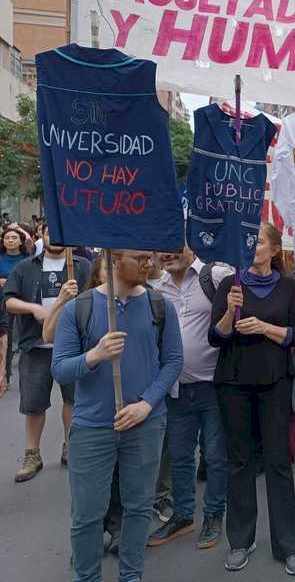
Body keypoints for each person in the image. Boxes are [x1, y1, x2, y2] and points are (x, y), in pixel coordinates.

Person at [52, 249, 183, 582]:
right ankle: (87, 576)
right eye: (140, 257)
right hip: (92, 427)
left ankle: (131, 575)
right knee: (87, 515)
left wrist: (146, 404)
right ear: (112, 261)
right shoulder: (77, 308)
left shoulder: (160, 305)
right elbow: (60, 369)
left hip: (145, 425)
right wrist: (94, 355)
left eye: (150, 257)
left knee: (139, 509)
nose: (149, 263)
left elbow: (172, 362)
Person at [209, 222, 295, 576]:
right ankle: (240, 540)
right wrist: (228, 314)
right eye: (248, 240)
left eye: (259, 241)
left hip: (275, 383)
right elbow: (215, 337)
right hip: (233, 383)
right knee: (239, 463)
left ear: (275, 248)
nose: (252, 246)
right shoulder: (229, 285)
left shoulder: (291, 285)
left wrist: (264, 328)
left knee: (278, 462)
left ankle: (289, 545)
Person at [147, 248, 231, 550]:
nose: (166, 255)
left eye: (173, 247)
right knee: (181, 457)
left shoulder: (217, 275)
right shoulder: (156, 289)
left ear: (190, 245)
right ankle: (183, 516)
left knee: (216, 457)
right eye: (162, 251)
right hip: (176, 389)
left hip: (214, 386)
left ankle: (213, 515)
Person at [3, 227, 90, 480]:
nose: (56, 237)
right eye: (50, 232)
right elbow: (8, 300)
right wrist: (33, 308)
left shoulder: (83, 266)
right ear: (42, 235)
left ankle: (70, 448)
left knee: (73, 400)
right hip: (36, 345)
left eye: (62, 232)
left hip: (73, 346)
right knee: (33, 403)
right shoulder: (25, 267)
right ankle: (32, 454)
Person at [0, 224, 31, 398]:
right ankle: (6, 373)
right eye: (7, 238)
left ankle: (29, 366)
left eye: (14, 238)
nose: (10, 241)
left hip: (24, 301)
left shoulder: (28, 260)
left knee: (25, 334)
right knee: (6, 337)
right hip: (3, 302)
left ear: (20, 241)